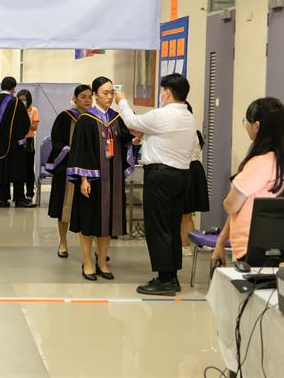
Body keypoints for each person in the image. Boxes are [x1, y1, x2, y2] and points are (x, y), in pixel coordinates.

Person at [115, 73, 197, 296]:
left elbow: (131, 121)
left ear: (167, 92)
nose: (161, 95)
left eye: (162, 91)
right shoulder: (188, 116)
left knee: (158, 227)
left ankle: (164, 280)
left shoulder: (163, 114)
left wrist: (121, 100)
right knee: (171, 225)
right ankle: (171, 276)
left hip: (161, 177)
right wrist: (147, 136)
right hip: (181, 175)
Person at [67, 77, 135, 281]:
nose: (109, 96)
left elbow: (124, 142)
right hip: (92, 181)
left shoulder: (116, 118)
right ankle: (88, 262)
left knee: (108, 223)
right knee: (89, 222)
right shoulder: (86, 120)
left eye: (112, 92)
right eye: (105, 93)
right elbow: (79, 151)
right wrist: (83, 179)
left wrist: (133, 140)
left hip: (112, 181)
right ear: (95, 95)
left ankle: (102, 262)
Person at [212, 97, 284, 265]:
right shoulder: (277, 161)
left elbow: (231, 205)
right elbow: (241, 207)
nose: (245, 126)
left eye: (246, 121)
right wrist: (221, 241)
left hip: (252, 249)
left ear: (256, 126)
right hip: (272, 246)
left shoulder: (259, 164)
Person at [46, 84, 93, 258]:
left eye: (90, 96)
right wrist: (72, 151)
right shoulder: (65, 117)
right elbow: (56, 141)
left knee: (89, 211)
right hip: (67, 168)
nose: (87, 100)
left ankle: (89, 249)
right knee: (63, 208)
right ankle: (63, 242)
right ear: (74, 98)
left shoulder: (96, 117)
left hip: (89, 170)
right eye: (83, 96)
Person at [0, 76, 36, 208]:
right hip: (12, 145)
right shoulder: (16, 102)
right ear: (14, 88)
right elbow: (25, 123)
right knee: (17, 170)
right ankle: (19, 199)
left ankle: (3, 199)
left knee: (1, 170)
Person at [181, 102, 209, 257]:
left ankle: (185, 245)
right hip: (192, 169)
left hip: (190, 170)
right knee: (184, 212)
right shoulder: (194, 131)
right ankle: (184, 244)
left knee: (185, 212)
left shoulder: (189, 132)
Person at [17, 89, 40, 202]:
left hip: (29, 142)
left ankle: (30, 193)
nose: (22, 102)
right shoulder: (15, 110)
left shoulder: (33, 110)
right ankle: (18, 194)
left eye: (24, 100)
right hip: (17, 141)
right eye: (20, 100)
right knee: (18, 169)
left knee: (29, 169)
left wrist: (25, 121)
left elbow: (34, 127)